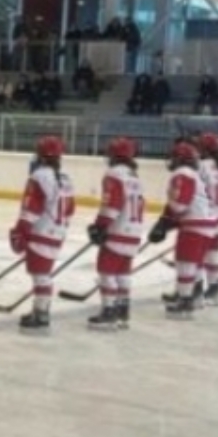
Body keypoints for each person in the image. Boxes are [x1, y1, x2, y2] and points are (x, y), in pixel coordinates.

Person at [8, 136, 75, 333]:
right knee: (42, 274)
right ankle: (39, 310)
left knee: (40, 275)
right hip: (57, 232)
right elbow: (71, 209)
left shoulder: (39, 176)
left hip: (41, 232)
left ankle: (42, 314)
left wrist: (21, 231)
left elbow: (30, 209)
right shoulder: (66, 178)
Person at [148, 141, 216, 318]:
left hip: (194, 225)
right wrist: (164, 220)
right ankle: (195, 296)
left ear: (180, 159)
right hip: (207, 224)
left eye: (174, 156)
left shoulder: (182, 173)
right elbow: (178, 204)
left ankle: (185, 302)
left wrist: (167, 223)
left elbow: (179, 204)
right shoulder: (192, 174)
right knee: (196, 264)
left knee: (184, 263)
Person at [86, 137, 145, 330]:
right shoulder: (134, 175)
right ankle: (123, 310)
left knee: (106, 271)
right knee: (123, 272)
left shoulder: (114, 174)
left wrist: (100, 225)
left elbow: (112, 203)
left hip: (117, 230)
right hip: (134, 231)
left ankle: (109, 311)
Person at [195, 132, 218, 306]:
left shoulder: (200, 166)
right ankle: (215, 289)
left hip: (204, 215)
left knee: (197, 255)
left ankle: (195, 292)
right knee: (213, 253)